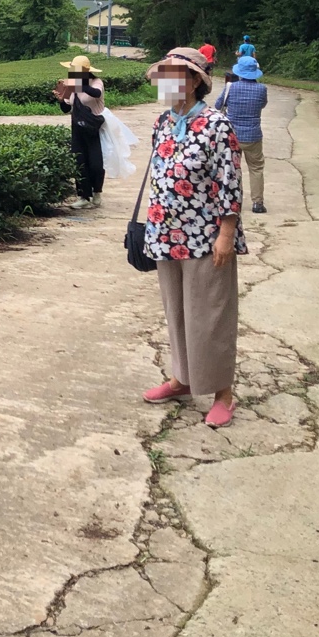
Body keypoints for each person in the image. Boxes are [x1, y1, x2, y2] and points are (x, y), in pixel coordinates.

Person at [140, 47, 247, 429]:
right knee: (177, 312)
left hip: (205, 235)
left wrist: (227, 233)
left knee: (210, 316)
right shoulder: (163, 122)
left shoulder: (217, 124)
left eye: (175, 76)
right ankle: (182, 380)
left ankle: (223, 394)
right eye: (163, 76)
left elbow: (229, 181)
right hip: (165, 233)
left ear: (194, 81)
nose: (165, 83)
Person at [215, 55, 268, 213]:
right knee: (256, 168)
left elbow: (218, 105)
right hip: (253, 135)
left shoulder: (230, 87)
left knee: (230, 169)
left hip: (231, 135)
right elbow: (263, 104)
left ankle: (231, 201)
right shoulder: (262, 89)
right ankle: (257, 203)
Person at [54, 55, 106, 210]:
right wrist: (61, 99)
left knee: (96, 163)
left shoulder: (96, 82)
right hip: (77, 127)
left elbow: (95, 93)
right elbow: (66, 108)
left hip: (94, 127)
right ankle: (83, 196)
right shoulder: (73, 85)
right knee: (79, 161)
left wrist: (78, 84)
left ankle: (97, 193)